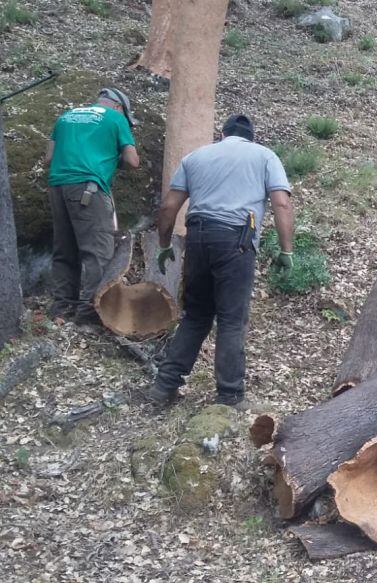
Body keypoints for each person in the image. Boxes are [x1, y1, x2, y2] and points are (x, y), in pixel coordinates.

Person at [146, 114, 294, 408]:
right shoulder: (264, 156)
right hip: (235, 241)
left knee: (196, 315)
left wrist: (163, 244)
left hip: (198, 237)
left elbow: (169, 206)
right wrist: (286, 249)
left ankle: (164, 388)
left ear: (222, 134)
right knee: (230, 319)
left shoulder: (196, 157)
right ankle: (230, 396)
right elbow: (281, 203)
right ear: (251, 137)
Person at [45, 88, 140, 325]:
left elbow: (48, 158)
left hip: (57, 187)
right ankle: (90, 313)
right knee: (97, 251)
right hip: (88, 190)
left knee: (64, 249)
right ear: (119, 107)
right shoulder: (116, 118)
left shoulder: (66, 117)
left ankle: (61, 308)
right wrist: (111, 157)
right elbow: (132, 161)